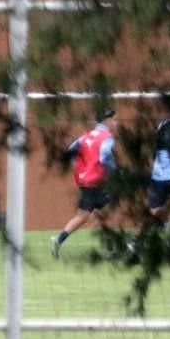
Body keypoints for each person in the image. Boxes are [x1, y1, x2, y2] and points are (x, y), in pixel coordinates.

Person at [50, 109, 118, 259]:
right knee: (108, 210)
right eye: (114, 120)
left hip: (84, 181)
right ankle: (111, 247)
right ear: (107, 121)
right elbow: (105, 157)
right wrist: (116, 171)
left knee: (84, 215)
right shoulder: (107, 137)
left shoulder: (85, 137)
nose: (116, 123)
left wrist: (80, 168)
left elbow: (70, 151)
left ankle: (58, 240)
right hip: (97, 182)